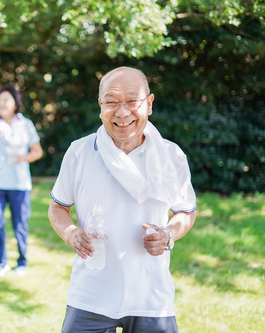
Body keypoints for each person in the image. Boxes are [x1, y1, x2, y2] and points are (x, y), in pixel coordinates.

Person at [48, 66, 197, 332]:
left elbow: (186, 211)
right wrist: (70, 233)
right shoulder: (80, 152)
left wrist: (169, 235)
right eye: (112, 102)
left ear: (149, 104)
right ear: (100, 106)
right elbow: (58, 207)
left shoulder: (171, 156)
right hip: (90, 294)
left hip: (151, 296)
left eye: (131, 101)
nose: (122, 112)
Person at [0, 85, 43, 277]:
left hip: (19, 184)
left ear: (15, 104)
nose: (2, 103)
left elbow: (37, 151)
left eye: (6, 100)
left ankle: (22, 262)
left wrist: (23, 158)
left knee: (20, 224)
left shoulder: (25, 124)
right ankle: (0, 262)